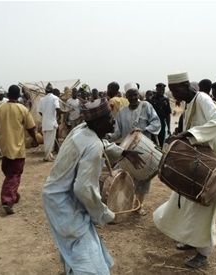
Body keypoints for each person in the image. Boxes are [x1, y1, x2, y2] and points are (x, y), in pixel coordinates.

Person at [42, 98, 144, 274]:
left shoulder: (82, 130)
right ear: (97, 122)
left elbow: (102, 144)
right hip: (63, 202)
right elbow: (83, 189)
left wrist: (123, 152)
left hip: (54, 196)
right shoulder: (93, 146)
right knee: (83, 248)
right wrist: (104, 214)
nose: (113, 122)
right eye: (109, 119)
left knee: (74, 244)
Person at [153, 72, 216, 269]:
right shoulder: (189, 102)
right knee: (186, 202)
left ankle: (203, 254)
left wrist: (188, 134)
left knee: (204, 209)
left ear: (186, 85)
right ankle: (189, 239)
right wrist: (179, 136)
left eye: (176, 90)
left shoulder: (202, 98)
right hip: (197, 160)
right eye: (172, 90)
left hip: (210, 163)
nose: (174, 94)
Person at [108, 83, 161, 215]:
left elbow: (156, 122)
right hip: (127, 150)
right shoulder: (122, 112)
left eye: (135, 94)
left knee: (142, 179)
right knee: (126, 177)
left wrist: (144, 130)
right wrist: (107, 136)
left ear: (138, 95)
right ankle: (126, 205)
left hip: (144, 148)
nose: (133, 97)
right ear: (126, 96)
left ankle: (139, 205)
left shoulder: (146, 106)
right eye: (130, 95)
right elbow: (117, 132)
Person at [0, 85, 38, 215]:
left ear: (8, 94)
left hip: (4, 147)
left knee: (9, 172)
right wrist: (35, 139)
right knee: (14, 174)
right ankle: (7, 200)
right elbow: (31, 128)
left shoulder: (0, 108)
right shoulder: (22, 109)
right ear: (18, 95)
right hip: (18, 148)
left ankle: (14, 194)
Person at [38, 83, 61, 162]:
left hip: (45, 123)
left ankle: (48, 155)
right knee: (50, 142)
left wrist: (45, 115)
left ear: (45, 91)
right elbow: (57, 109)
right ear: (52, 90)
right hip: (52, 123)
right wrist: (58, 116)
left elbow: (40, 112)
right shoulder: (55, 98)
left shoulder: (42, 99)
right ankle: (47, 157)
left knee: (46, 141)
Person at [150, 83, 172, 147]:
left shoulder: (166, 100)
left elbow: (168, 114)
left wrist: (169, 128)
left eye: (163, 90)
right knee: (153, 141)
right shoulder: (152, 99)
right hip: (153, 123)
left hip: (162, 123)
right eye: (160, 90)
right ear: (157, 89)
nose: (161, 91)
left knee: (161, 140)